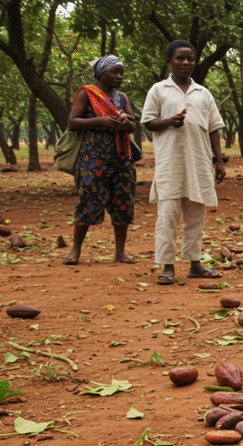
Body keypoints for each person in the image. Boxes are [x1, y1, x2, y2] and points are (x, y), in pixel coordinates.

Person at [140, 40, 226, 285]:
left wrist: (219, 161)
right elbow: (147, 122)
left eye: (190, 59)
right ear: (169, 61)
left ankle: (195, 265)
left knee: (195, 216)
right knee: (167, 215)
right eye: (180, 58)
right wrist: (169, 122)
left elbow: (214, 128)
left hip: (198, 162)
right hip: (170, 162)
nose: (186, 63)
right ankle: (167, 266)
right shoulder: (159, 90)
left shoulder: (203, 93)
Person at [63, 55, 138, 265]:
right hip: (93, 156)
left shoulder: (122, 98)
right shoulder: (87, 93)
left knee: (123, 201)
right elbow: (72, 122)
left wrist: (126, 122)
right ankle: (75, 250)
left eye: (121, 72)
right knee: (89, 198)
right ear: (100, 73)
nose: (119, 76)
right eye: (114, 72)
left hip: (122, 156)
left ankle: (120, 252)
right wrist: (100, 120)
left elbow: (133, 125)